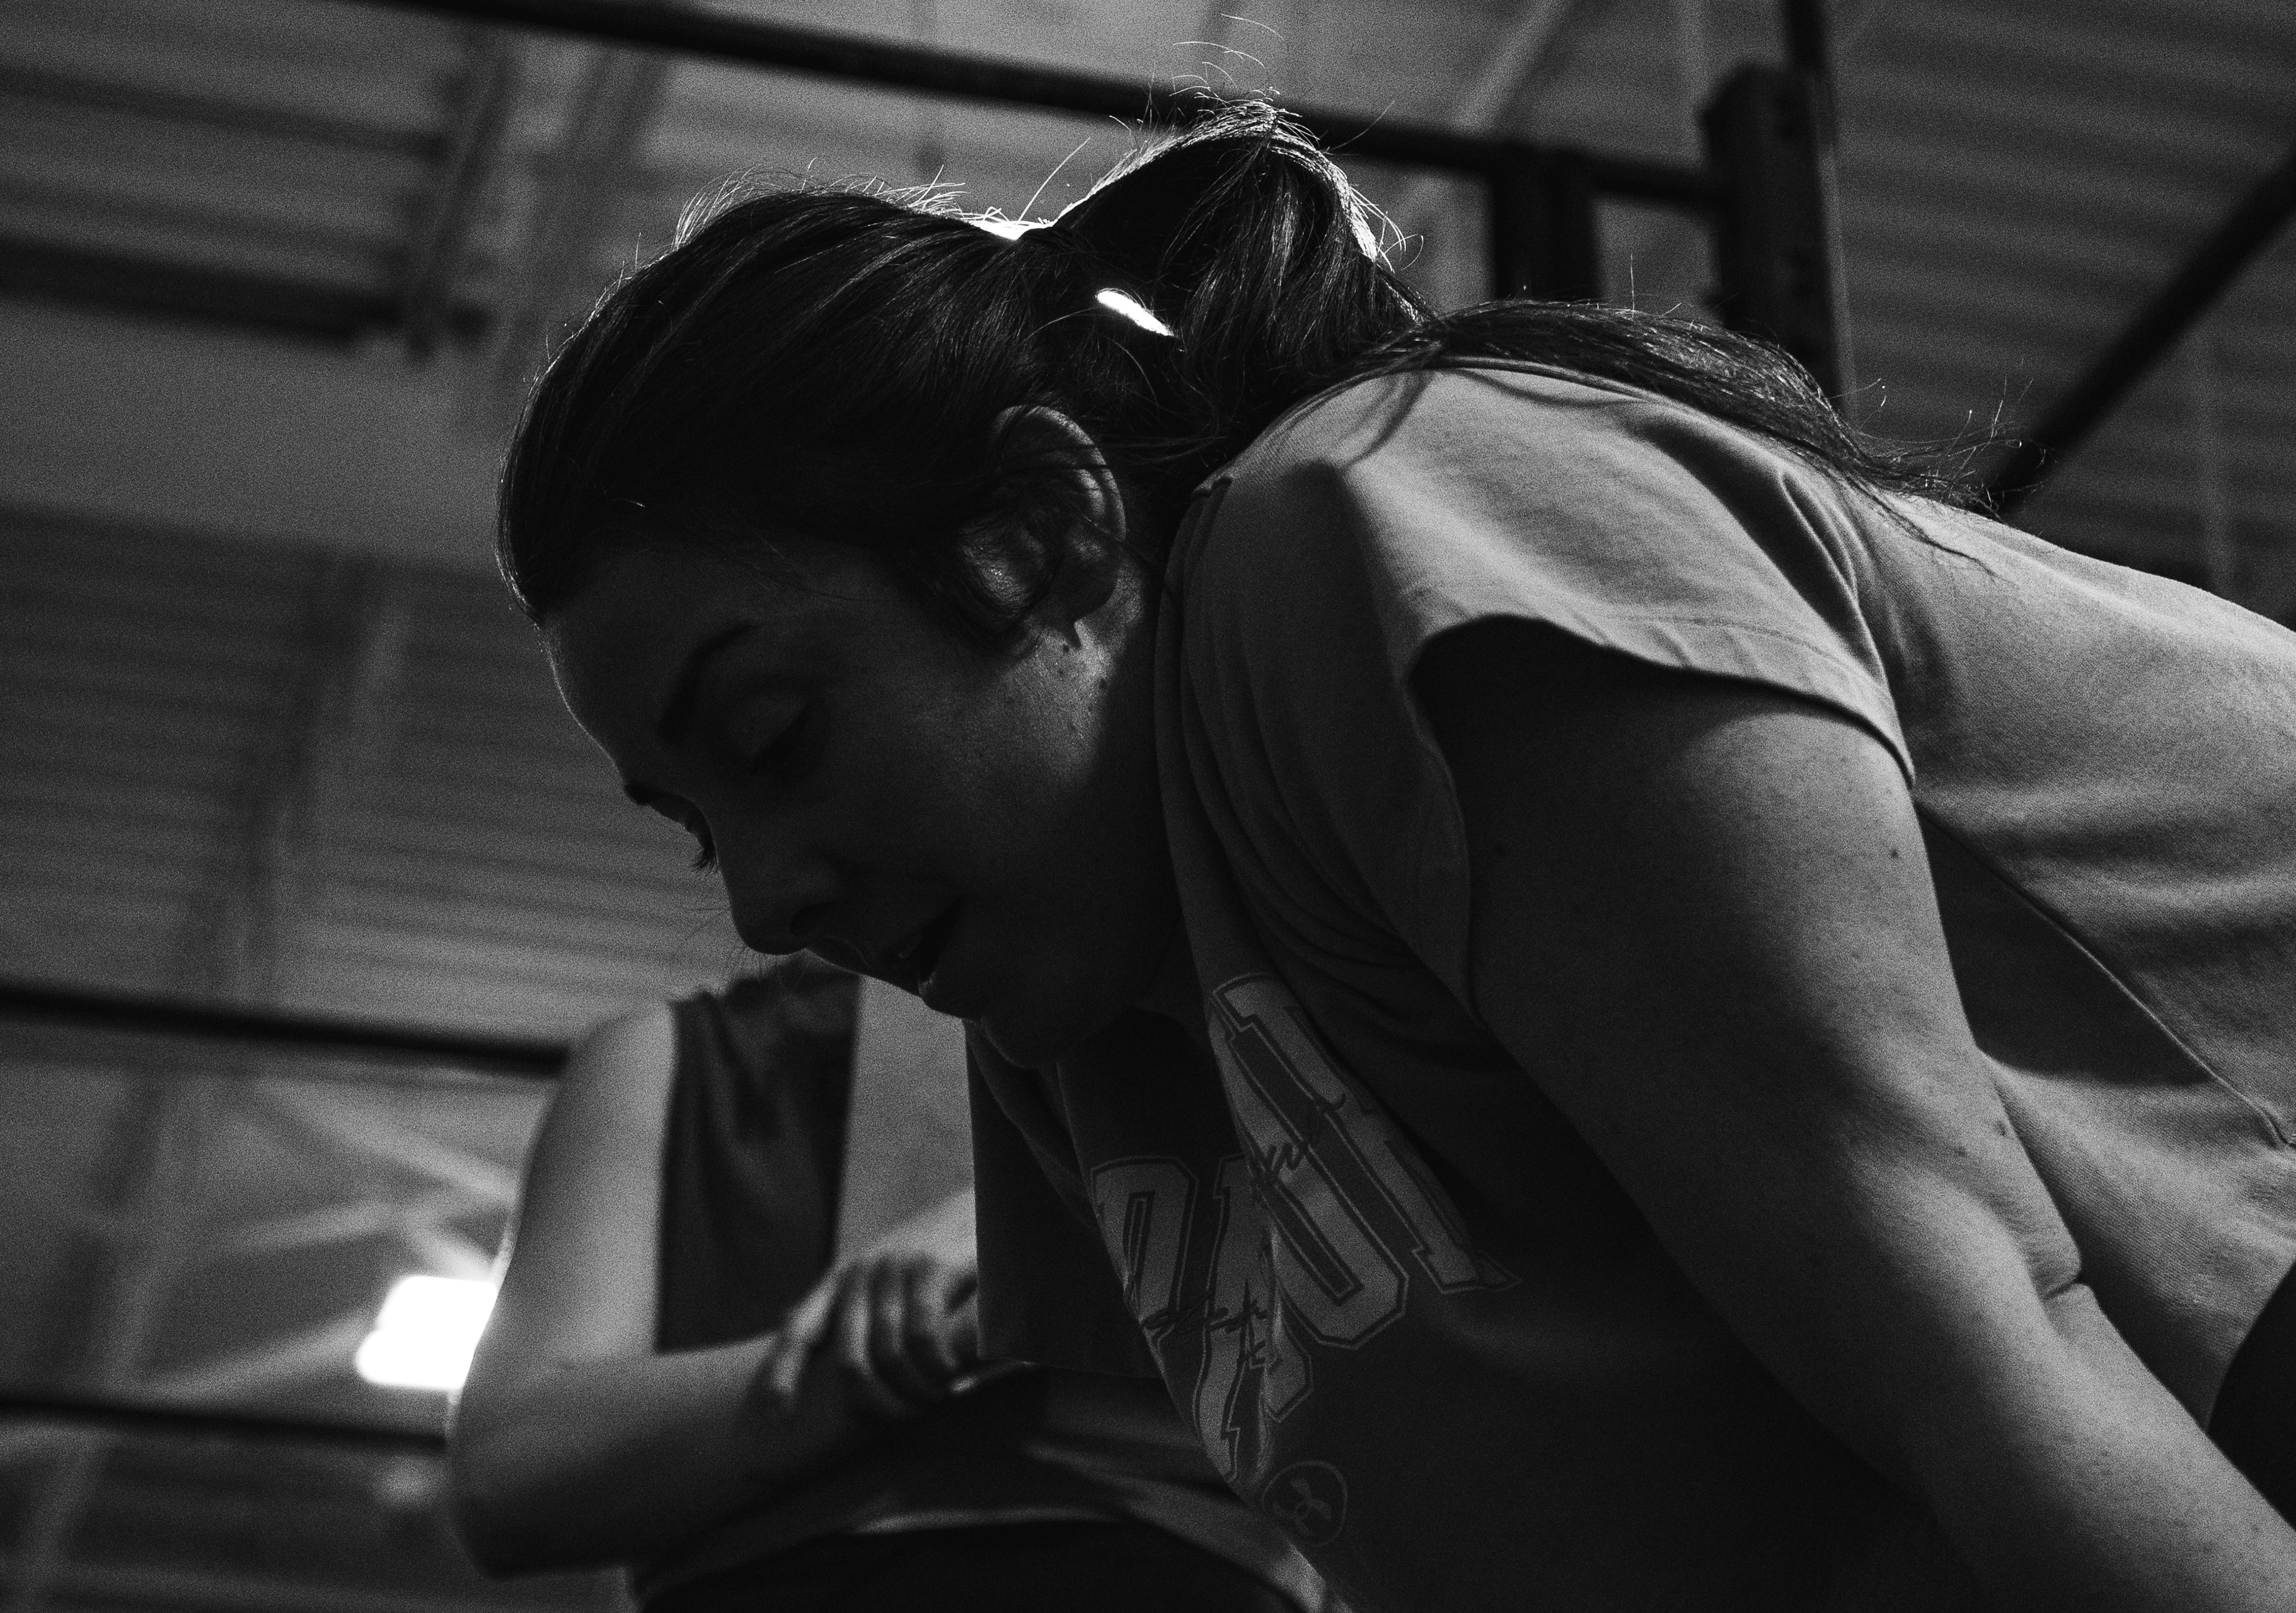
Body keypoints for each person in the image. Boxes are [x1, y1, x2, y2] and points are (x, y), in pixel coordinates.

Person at [492, 103, 2296, 1612]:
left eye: (773, 739)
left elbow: (1989, 1348)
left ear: (1039, 529)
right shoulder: (1088, 1035)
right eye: (698, 829)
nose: (766, 900)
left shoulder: (1365, 534)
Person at [449, 955, 1329, 1612]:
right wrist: (906, 1338)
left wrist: (1035, 1239)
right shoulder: (669, 1054)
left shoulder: (1222, 1003)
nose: (759, 901)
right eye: (699, 830)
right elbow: (509, 1479)